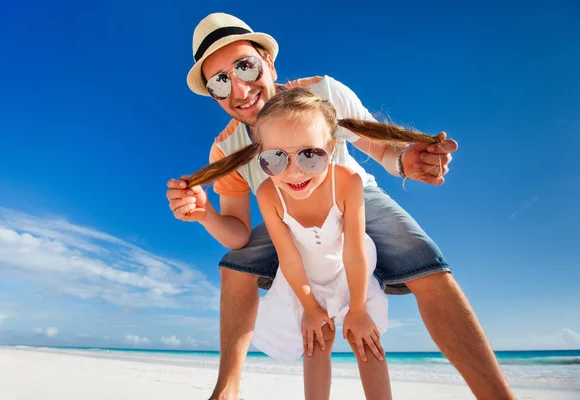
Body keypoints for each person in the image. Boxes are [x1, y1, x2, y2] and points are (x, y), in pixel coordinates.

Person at [167, 12, 514, 400]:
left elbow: (379, 147)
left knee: (427, 266)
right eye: (220, 81)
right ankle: (227, 390)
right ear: (213, 94)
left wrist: (406, 162)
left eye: (245, 67)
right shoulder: (226, 150)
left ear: (268, 62)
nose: (239, 88)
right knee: (236, 268)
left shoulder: (324, 92)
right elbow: (238, 234)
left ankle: (497, 395)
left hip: (349, 198)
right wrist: (205, 215)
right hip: (284, 214)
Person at [184, 88, 441, 399]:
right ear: (261, 155)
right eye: (276, 158)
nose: (294, 172)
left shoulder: (347, 181)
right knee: (315, 341)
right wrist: (309, 306)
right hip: (302, 277)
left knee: (366, 341)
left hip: (353, 272)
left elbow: (356, 250)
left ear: (330, 148)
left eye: (310, 155)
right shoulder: (269, 193)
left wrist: (357, 310)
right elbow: (288, 257)